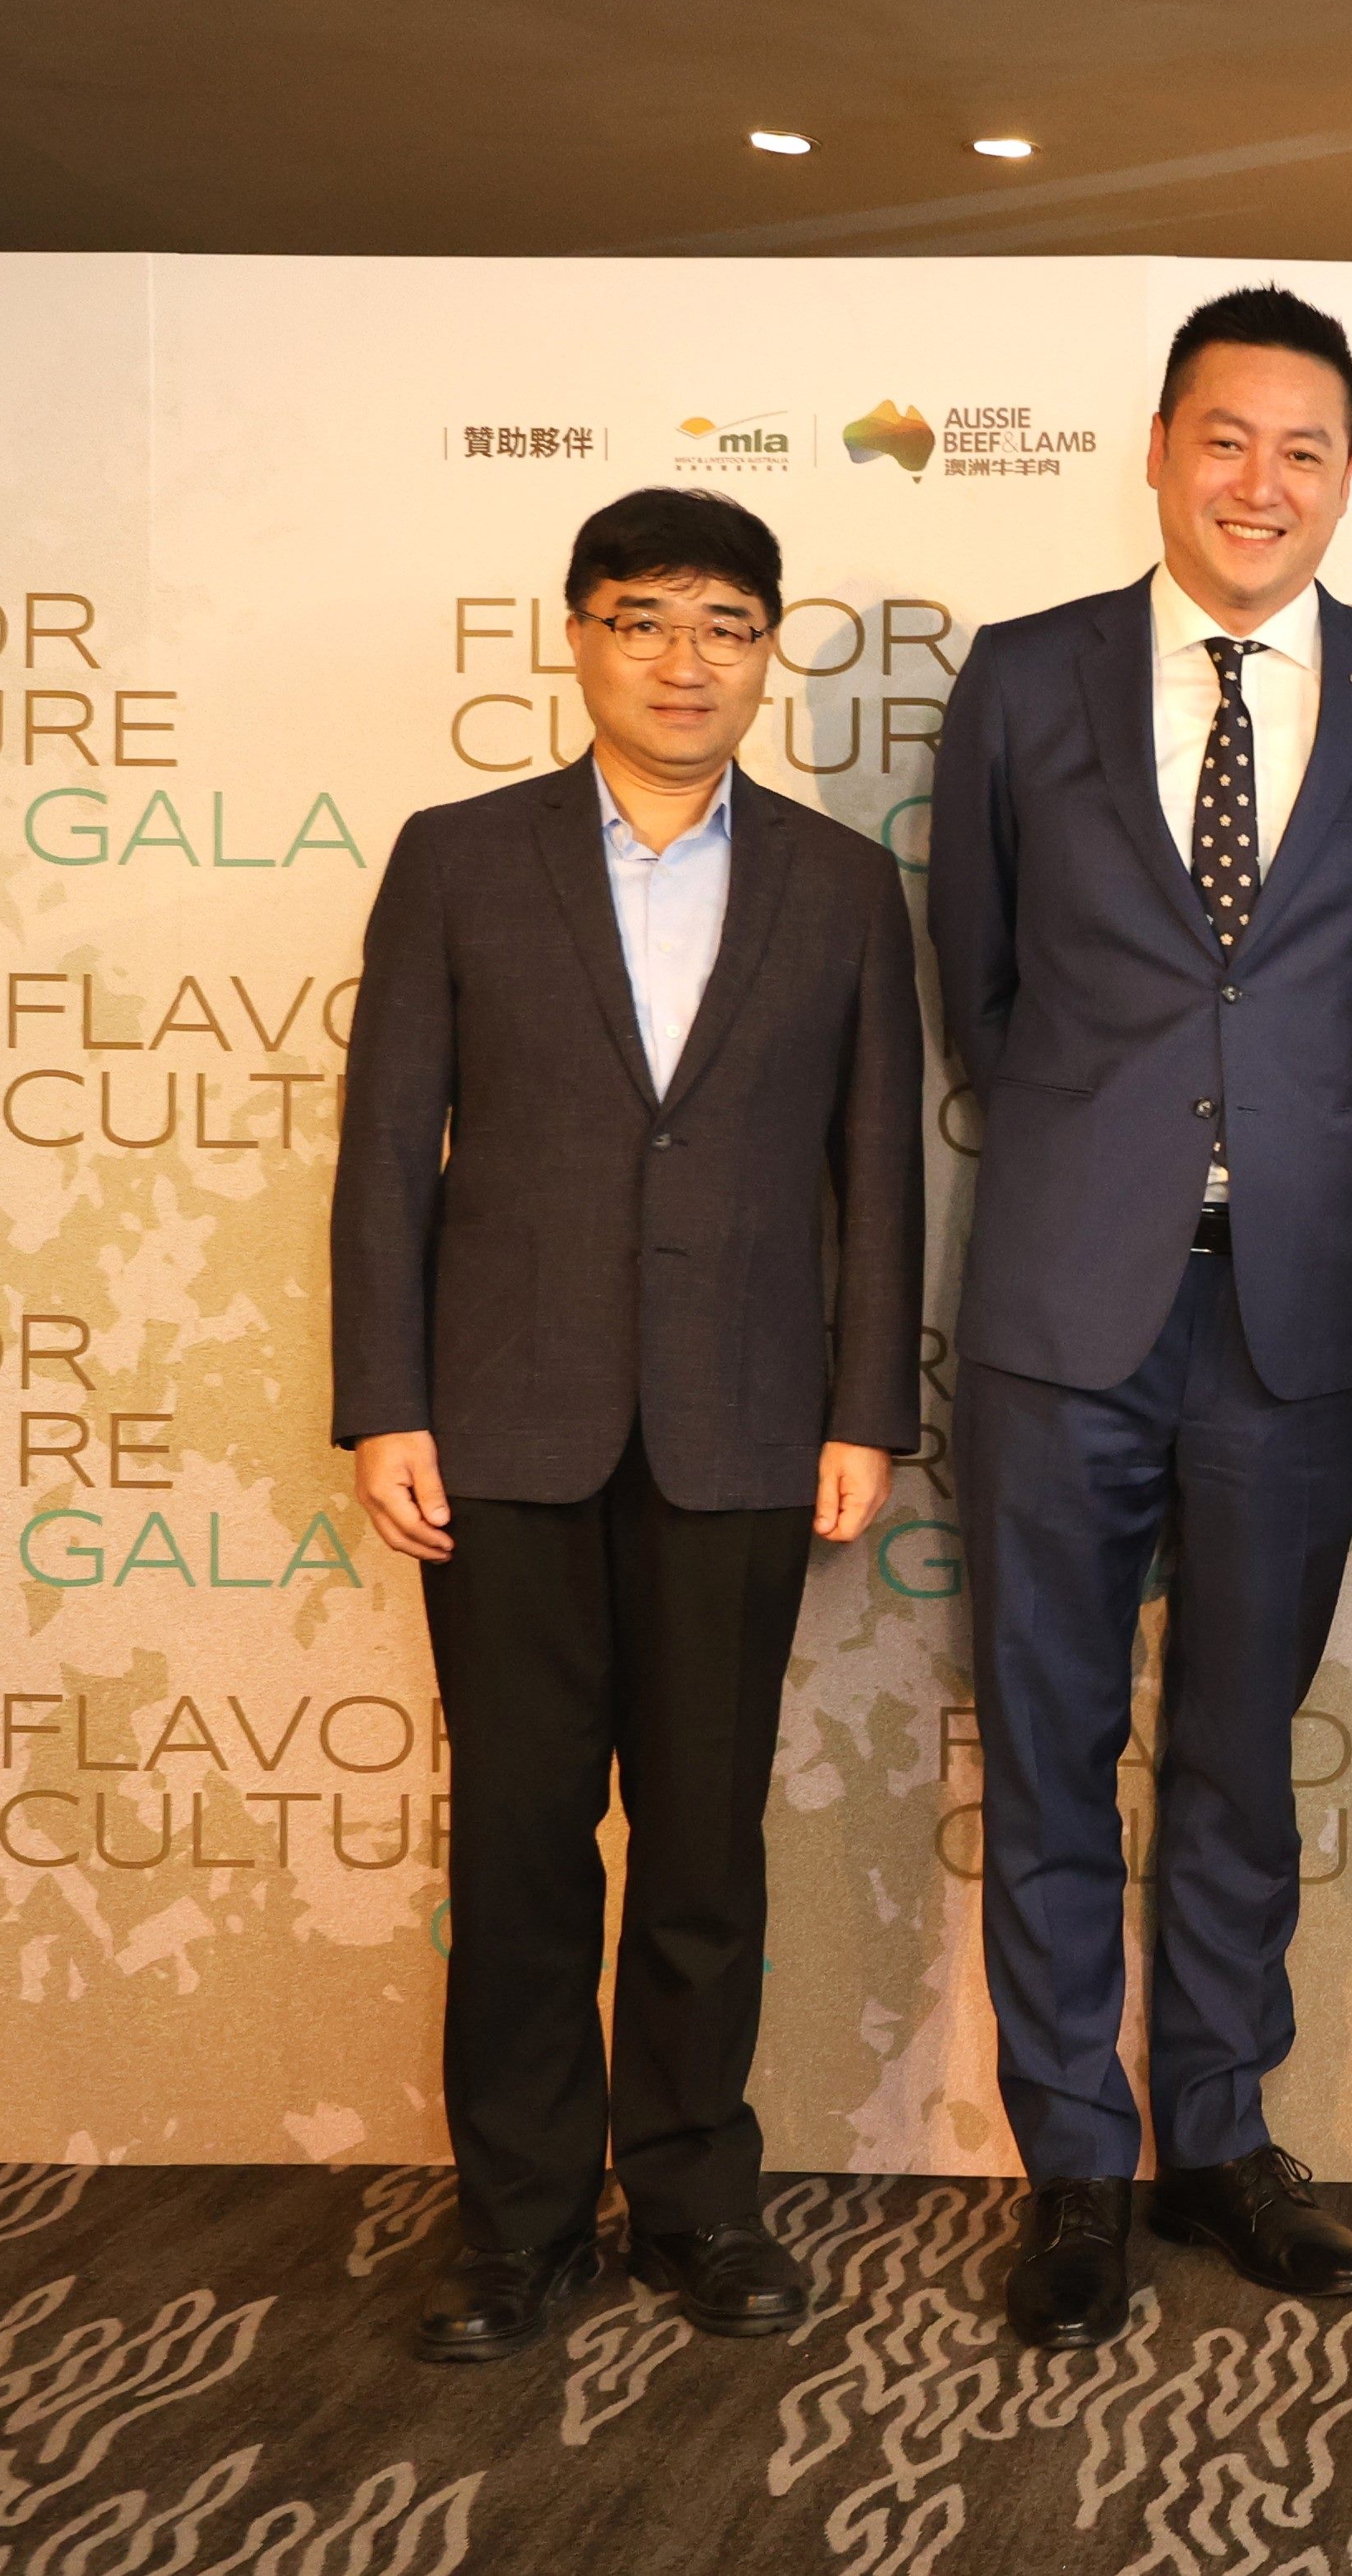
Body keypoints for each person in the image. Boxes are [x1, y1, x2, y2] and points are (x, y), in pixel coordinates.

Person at [925, 284, 1352, 2349]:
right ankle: (1077, 2159)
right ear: (1160, 451)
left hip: (1293, 1308)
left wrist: (1273, 1153)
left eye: (1304, 447)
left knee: (1242, 1747)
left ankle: (1223, 2133)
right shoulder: (1024, 676)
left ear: (1349, 471)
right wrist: (1121, 1158)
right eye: (1227, 439)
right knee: (1053, 1741)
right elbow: (977, 987)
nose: (1263, 482)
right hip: (1063, 1298)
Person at [332, 486, 924, 2364]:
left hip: (743, 1429)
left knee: (701, 1850)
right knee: (519, 1845)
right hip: (501, 1429)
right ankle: (516, 2222)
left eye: (726, 626)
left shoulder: (841, 883)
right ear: (578, 635)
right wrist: (384, 1400)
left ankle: (693, 2200)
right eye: (646, 618)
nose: (686, 660)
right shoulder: (458, 856)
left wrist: (866, 1408)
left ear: (769, 654)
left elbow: (879, 1171)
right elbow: (385, 1151)